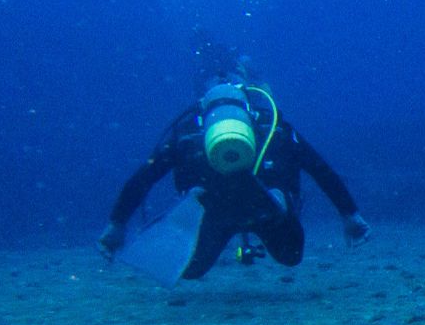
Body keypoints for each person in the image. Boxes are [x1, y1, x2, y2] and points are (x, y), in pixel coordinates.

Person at [99, 45, 369, 280]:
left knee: (191, 270)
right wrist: (350, 215)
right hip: (265, 210)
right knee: (290, 255)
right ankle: (276, 198)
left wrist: (117, 224)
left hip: (215, 209)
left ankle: (201, 198)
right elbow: (319, 169)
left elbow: (144, 177)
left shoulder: (188, 131)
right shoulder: (271, 123)